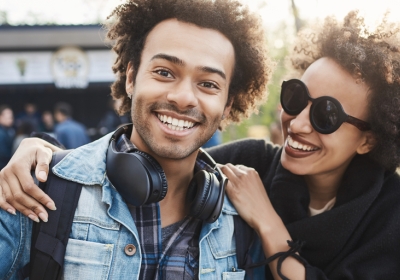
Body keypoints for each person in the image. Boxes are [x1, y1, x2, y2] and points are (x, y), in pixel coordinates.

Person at [3, 10, 400, 279]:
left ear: (370, 138)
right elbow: (174, 157)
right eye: (296, 98)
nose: (296, 123)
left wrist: (267, 221)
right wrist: (41, 150)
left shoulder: (389, 217)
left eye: (326, 116)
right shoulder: (253, 162)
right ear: (130, 77)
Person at [0, 0, 271, 279]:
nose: (183, 97)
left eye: (209, 84)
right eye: (164, 72)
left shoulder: (242, 222)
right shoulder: (35, 189)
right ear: (131, 78)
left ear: (227, 105)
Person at [0, 105, 15, 169]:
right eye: (8, 117)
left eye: (11, 117)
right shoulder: (1, 133)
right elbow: (3, 154)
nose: (10, 120)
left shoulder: (10, 130)